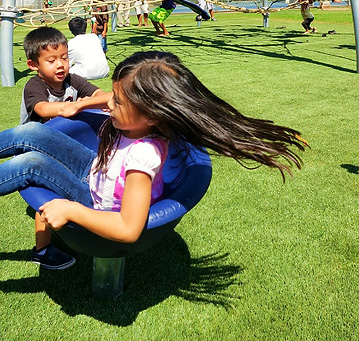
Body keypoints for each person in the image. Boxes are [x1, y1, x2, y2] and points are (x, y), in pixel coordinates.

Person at [0, 51, 305, 270]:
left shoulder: (143, 154)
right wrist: (77, 105)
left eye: (118, 101)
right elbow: (104, 97)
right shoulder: (138, 114)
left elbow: (129, 228)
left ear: (151, 114)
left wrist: (71, 209)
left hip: (95, 203)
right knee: (30, 132)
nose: (111, 103)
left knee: (30, 164)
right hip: (93, 170)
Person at [19, 26, 111, 269]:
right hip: (36, 148)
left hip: (64, 145)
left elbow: (102, 94)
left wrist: (88, 102)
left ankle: (83, 220)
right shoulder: (35, 86)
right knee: (45, 195)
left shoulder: (73, 80)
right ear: (33, 65)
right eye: (51, 60)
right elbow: (41, 109)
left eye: (64, 57)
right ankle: (42, 249)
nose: (60, 65)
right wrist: (66, 108)